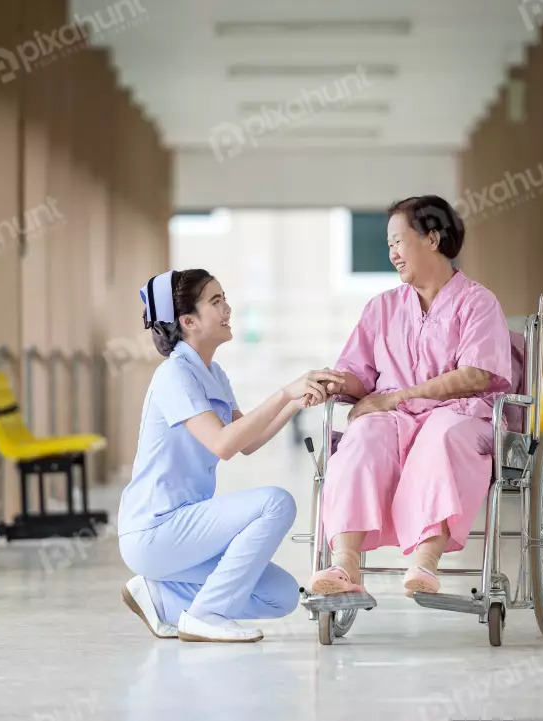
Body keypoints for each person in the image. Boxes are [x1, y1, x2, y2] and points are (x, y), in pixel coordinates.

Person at [118, 268, 344, 643]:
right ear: (188, 321)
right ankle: (206, 615)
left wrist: (296, 401)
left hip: (184, 528)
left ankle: (159, 597)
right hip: (155, 529)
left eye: (224, 299)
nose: (228, 309)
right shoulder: (174, 373)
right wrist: (284, 392)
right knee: (276, 503)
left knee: (280, 596)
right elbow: (222, 443)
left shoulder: (213, 372)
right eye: (216, 301)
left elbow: (246, 442)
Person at [306, 195, 513, 599]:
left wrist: (399, 396)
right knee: (364, 436)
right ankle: (344, 564)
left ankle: (424, 562)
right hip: (395, 416)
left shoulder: (477, 302)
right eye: (389, 245)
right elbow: (360, 375)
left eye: (398, 242)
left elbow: (475, 374)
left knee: (441, 435)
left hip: (461, 413)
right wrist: (337, 383)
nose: (392, 253)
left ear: (432, 239)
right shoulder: (381, 308)